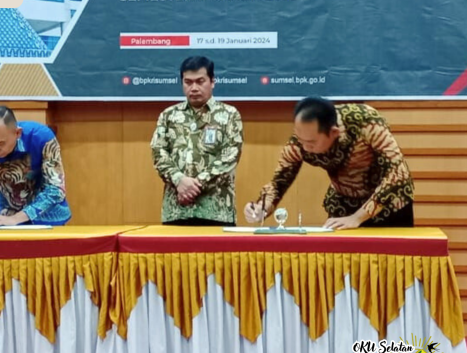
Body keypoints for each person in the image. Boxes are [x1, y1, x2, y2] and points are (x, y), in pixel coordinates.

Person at [244, 96, 414, 230]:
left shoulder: (366, 121)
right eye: (300, 139)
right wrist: (262, 208)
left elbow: (398, 173)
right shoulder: (301, 140)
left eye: (311, 143)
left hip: (388, 204)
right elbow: (278, 182)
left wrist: (358, 217)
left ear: (333, 132)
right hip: (344, 203)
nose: (305, 147)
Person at [150, 56, 244, 226]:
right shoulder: (168, 115)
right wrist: (179, 180)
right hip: (176, 211)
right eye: (188, 82)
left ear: (212, 82)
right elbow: (158, 153)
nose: (194, 88)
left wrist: (194, 186)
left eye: (200, 81)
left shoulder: (229, 115)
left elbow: (230, 157)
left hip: (216, 212)